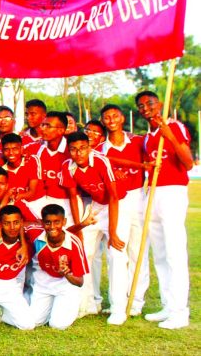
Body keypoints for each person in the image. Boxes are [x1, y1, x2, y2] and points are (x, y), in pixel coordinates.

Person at [60, 131, 127, 324]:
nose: (78, 153)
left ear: (89, 147)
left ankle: (118, 309)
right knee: (83, 252)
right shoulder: (68, 166)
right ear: (69, 150)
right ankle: (88, 304)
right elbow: (73, 197)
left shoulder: (100, 161)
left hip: (117, 205)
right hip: (96, 207)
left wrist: (113, 233)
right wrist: (79, 227)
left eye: (82, 148)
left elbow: (113, 197)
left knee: (116, 254)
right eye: (73, 149)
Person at [99, 103, 148, 315]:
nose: (111, 121)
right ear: (103, 122)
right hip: (117, 202)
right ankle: (118, 304)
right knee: (116, 251)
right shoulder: (101, 148)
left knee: (139, 252)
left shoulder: (138, 141)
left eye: (114, 116)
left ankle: (136, 302)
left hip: (139, 198)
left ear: (121, 118)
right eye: (106, 118)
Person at [28, 204, 89, 330]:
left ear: (64, 222)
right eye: (48, 223)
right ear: (42, 222)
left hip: (65, 285)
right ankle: (51, 307)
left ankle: (73, 304)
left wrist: (66, 273)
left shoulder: (73, 243)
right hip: (44, 283)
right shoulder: (36, 234)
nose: (52, 227)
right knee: (32, 322)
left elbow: (79, 282)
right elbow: (22, 226)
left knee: (57, 325)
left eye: (57, 222)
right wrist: (23, 245)